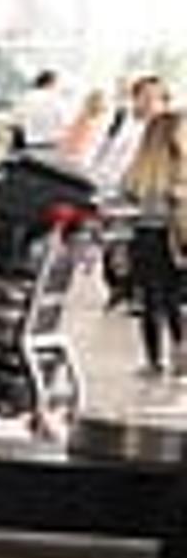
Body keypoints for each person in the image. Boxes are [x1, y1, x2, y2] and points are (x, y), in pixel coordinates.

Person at [115, 109, 187, 377]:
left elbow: (122, 204)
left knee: (151, 302)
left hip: (144, 239)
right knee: (174, 301)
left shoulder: (137, 170)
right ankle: (181, 354)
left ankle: (154, 361)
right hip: (177, 240)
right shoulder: (182, 167)